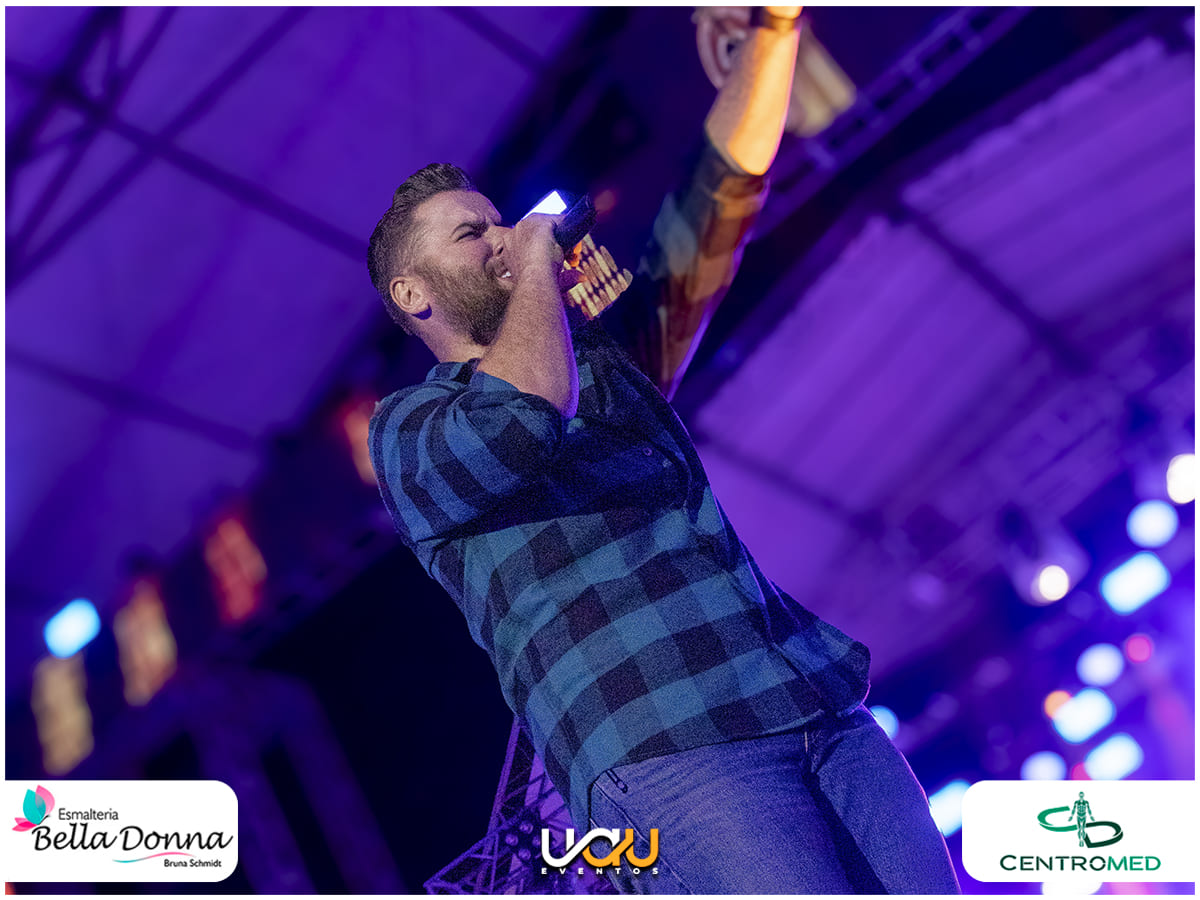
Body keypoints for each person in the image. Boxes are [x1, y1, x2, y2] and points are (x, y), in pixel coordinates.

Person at [366, 7, 960, 894]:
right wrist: (537, 265)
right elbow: (522, 415)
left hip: (806, 700)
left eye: (497, 221)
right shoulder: (410, 428)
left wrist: (773, 32)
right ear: (414, 294)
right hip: (663, 743)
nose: (502, 236)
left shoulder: (603, 365)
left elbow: (714, 201)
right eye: (471, 234)